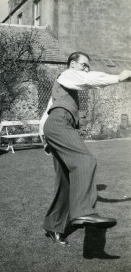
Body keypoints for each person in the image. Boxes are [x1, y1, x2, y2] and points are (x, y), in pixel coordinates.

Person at [39, 51, 131, 246]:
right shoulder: (67, 75)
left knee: (66, 182)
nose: (86, 69)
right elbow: (90, 79)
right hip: (59, 125)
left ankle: (52, 226)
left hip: (54, 128)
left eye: (88, 66)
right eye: (84, 65)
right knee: (85, 161)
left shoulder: (65, 84)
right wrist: (118, 77)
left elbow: (47, 111)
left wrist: (46, 138)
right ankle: (84, 213)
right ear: (73, 64)